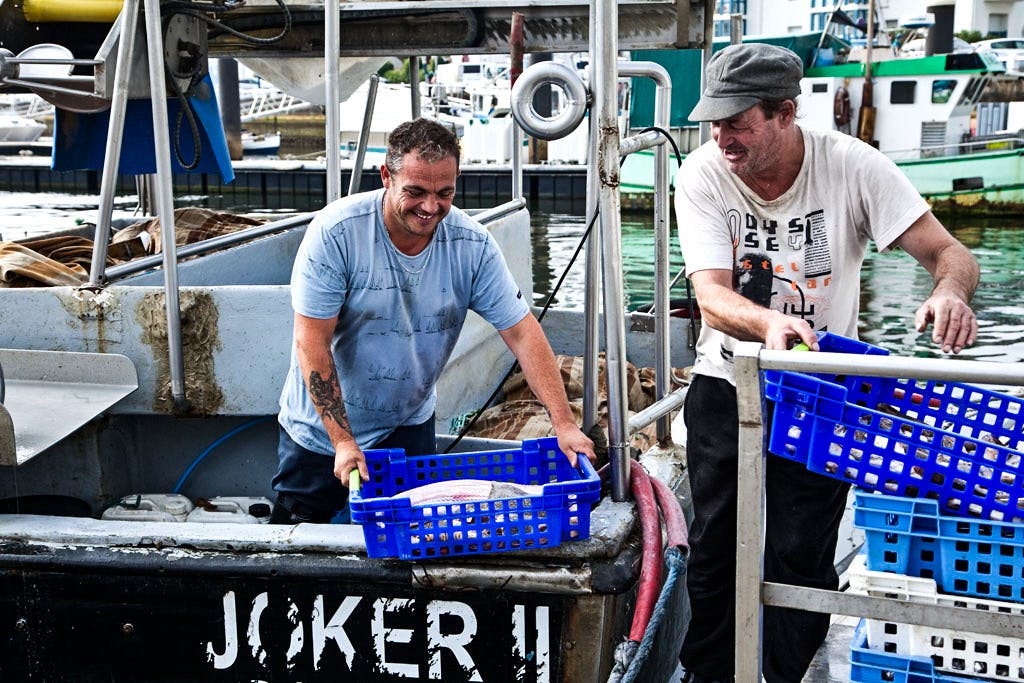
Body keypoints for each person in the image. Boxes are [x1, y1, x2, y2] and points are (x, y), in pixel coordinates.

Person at [673, 44, 979, 682]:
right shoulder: (701, 172)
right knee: (714, 548)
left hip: (822, 395)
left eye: (737, 121)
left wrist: (949, 292)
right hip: (729, 380)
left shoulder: (852, 166)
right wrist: (768, 323)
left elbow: (951, 253)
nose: (721, 135)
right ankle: (711, 675)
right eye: (714, 121)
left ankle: (782, 674)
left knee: (800, 548)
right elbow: (709, 295)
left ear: (786, 113)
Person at [271, 118, 595, 524]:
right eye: (416, 191)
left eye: (445, 193)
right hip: (320, 433)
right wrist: (342, 440)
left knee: (406, 548)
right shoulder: (336, 233)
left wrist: (564, 424)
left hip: (407, 423)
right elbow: (311, 341)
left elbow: (522, 332)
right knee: (297, 551)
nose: (430, 207)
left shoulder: (472, 245)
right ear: (386, 176)